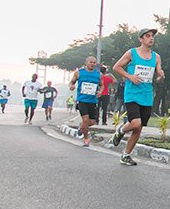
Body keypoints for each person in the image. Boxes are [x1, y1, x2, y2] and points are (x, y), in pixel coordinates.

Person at [111, 28, 164, 166]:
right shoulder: (132, 53)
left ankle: (126, 155)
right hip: (132, 94)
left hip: (146, 96)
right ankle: (120, 130)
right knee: (135, 123)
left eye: (152, 36)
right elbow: (116, 67)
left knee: (138, 129)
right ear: (141, 39)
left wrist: (160, 75)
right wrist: (130, 76)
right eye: (147, 36)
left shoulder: (156, 57)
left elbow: (158, 74)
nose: (151, 38)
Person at [69, 56, 103, 147]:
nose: (92, 64)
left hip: (92, 101)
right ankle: (86, 139)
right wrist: (71, 86)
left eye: (94, 62)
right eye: (90, 62)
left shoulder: (98, 74)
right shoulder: (79, 72)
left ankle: (82, 127)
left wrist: (100, 91)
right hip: (82, 100)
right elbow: (72, 82)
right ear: (86, 63)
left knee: (91, 122)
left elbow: (101, 85)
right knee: (85, 119)